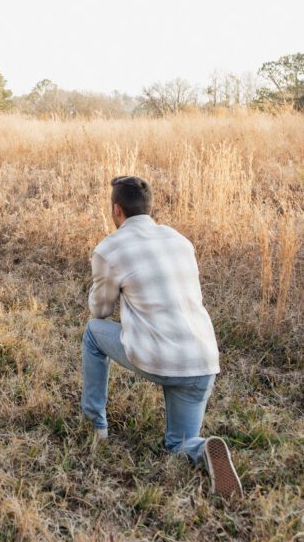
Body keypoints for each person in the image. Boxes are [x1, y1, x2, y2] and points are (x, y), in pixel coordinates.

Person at [81, 175, 243, 498]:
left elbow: (100, 312)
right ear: (150, 208)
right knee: (178, 444)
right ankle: (202, 448)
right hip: (202, 361)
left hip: (158, 358)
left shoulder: (109, 250)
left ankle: (95, 425)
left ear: (117, 210)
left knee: (93, 334)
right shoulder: (181, 241)